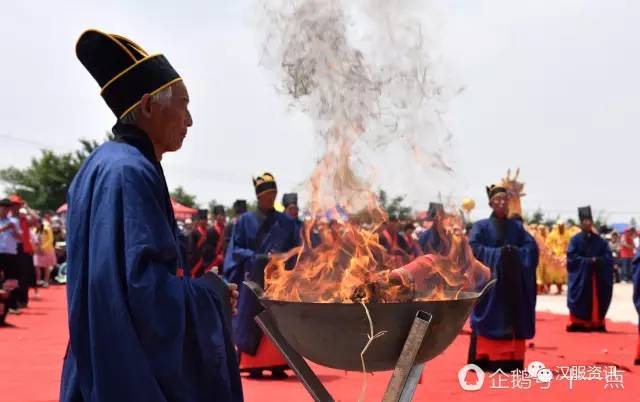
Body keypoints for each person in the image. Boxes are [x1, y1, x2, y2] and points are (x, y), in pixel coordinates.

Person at [61, 29, 243, 402]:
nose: (189, 120)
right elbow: (146, 296)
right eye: (184, 104)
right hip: (128, 375)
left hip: (98, 360)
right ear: (147, 106)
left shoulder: (100, 164)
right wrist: (211, 295)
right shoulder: (129, 172)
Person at [224, 172, 300, 379]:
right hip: (254, 278)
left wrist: (284, 259)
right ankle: (253, 364)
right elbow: (236, 249)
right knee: (252, 319)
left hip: (279, 279)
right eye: (267, 195)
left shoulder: (286, 222)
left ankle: (278, 363)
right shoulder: (245, 221)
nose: (271, 198)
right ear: (258, 197)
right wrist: (259, 257)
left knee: (278, 320)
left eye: (274, 194)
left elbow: (296, 248)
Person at [466, 184, 539, 372]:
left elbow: (531, 248)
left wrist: (514, 253)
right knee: (491, 316)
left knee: (514, 317)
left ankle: (512, 359)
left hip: (513, 284)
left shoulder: (516, 227)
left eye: (504, 200)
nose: (501, 203)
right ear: (490, 203)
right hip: (492, 285)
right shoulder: (480, 226)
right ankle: (487, 356)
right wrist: (498, 255)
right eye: (497, 200)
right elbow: (474, 249)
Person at [566, 206, 613, 332]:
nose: (587, 222)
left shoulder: (601, 241)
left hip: (595, 277)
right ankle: (578, 322)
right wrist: (587, 262)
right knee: (580, 296)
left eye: (589, 220)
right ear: (580, 223)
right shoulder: (574, 240)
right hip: (581, 277)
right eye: (584, 220)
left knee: (598, 297)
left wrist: (597, 261)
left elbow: (608, 257)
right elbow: (571, 258)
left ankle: (597, 322)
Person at [0, 198, 22, 315]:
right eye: (3, 208)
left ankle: (12, 305)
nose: (5, 210)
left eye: (7, 208)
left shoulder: (14, 221)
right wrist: (4, 228)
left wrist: (13, 229)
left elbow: (20, 239)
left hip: (10, 253)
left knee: (11, 281)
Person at [188, 210, 220, 278]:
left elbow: (212, 246)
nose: (205, 222)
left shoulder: (210, 232)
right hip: (197, 262)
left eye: (206, 220)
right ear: (199, 220)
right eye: (203, 220)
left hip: (208, 262)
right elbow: (191, 248)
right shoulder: (194, 233)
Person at [33, 219, 56, 291]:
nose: (36, 225)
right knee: (36, 265)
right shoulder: (34, 230)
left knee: (47, 266)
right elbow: (33, 239)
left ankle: (46, 281)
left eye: (37, 223)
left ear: (40, 223)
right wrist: (36, 248)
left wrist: (43, 247)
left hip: (47, 250)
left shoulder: (47, 229)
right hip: (37, 250)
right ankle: (38, 280)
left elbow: (51, 239)